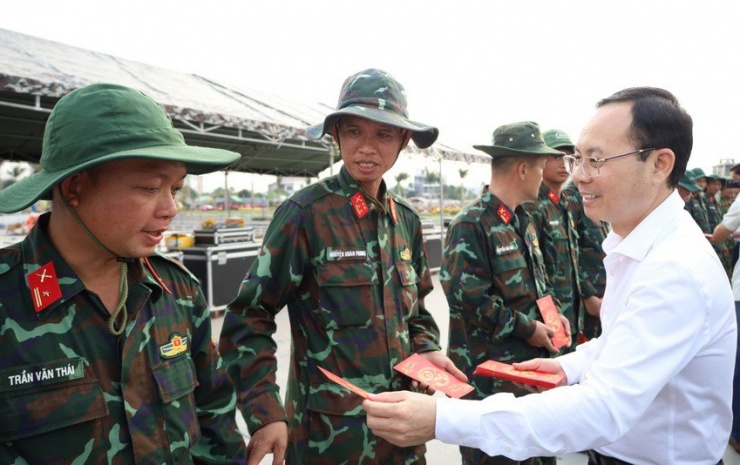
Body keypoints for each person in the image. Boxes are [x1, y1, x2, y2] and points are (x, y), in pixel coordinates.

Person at [363, 86, 736, 465]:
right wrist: (568, 366)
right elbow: (620, 341)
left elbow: (602, 408)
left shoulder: (675, 268)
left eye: (596, 160)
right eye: (578, 159)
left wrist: (442, 418)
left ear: (659, 164)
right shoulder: (642, 247)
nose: (580, 176)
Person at [218, 68, 464, 465]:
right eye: (354, 132)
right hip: (328, 438)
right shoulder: (305, 214)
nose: (367, 148)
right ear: (336, 135)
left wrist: (427, 350)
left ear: (403, 140)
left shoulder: (407, 220)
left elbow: (416, 310)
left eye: (383, 134)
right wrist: (265, 412)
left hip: (402, 426)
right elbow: (250, 315)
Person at [0, 83, 247, 463]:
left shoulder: (176, 291)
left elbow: (215, 419)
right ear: (74, 187)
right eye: (149, 188)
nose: (170, 209)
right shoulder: (8, 296)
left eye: (176, 189)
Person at [440, 121, 569, 465]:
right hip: (492, 385)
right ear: (524, 169)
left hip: (528, 379)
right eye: (541, 168)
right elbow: (468, 299)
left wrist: (554, 317)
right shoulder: (472, 224)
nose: (543, 177)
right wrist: (530, 328)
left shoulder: (521, 221)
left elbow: (537, 286)